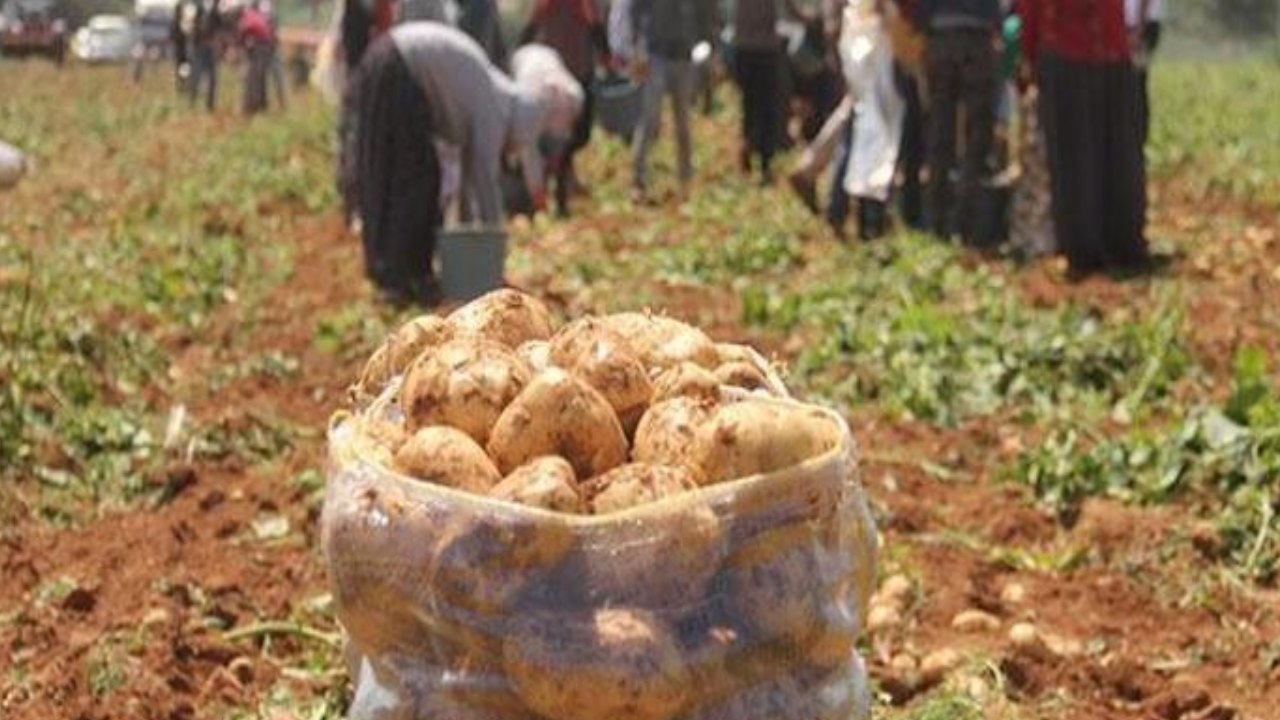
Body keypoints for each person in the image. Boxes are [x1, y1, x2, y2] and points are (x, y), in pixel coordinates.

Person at [347, 22, 558, 304]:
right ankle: (398, 277)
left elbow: (469, 183)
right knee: (412, 180)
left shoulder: (495, 94)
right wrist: (495, 255)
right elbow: (485, 181)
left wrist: (474, 246)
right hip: (397, 67)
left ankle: (406, 271)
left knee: (413, 175)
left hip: (394, 62)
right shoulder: (494, 110)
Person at [1022, 0, 1148, 275]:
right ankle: (1121, 242)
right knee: (1115, 153)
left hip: (1069, 52)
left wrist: (1030, 55)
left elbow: (1031, 9)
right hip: (1109, 52)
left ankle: (1083, 247)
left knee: (1075, 158)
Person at [916, 0, 1000, 242]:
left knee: (940, 134)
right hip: (978, 39)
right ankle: (965, 222)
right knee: (977, 134)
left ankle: (936, 221)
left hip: (940, 38)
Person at [521, 0, 610, 215]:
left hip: (580, 72)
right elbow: (531, 27)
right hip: (555, 75)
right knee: (555, 137)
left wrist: (606, 57)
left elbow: (596, 29)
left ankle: (561, 173)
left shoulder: (585, 4)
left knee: (580, 135)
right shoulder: (547, 4)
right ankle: (558, 192)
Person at [627, 0, 714, 202]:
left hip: (684, 57)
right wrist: (636, 48)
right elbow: (635, 12)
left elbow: (706, 16)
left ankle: (685, 180)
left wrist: (710, 48)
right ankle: (638, 180)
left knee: (683, 123)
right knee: (649, 121)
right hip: (656, 55)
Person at [510, 43, 587, 214]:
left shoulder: (574, 95)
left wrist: (559, 158)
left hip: (548, 59)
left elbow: (570, 136)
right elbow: (528, 151)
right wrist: (538, 193)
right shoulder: (529, 102)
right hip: (528, 68)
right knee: (530, 156)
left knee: (560, 156)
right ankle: (534, 199)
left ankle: (560, 199)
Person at [732, 0, 785, 184]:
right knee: (759, 108)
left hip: (753, 49)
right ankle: (757, 156)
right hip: (758, 50)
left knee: (755, 107)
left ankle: (760, 158)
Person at [1127, 0, 1163, 144]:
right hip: (1133, 24)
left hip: (1141, 25)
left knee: (1135, 84)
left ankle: (1137, 139)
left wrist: (1138, 29)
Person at [240, 1, 273, 115]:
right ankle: (260, 105)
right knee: (259, 77)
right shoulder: (261, 16)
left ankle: (252, 106)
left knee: (253, 78)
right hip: (263, 48)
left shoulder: (249, 16)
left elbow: (243, 31)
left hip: (257, 50)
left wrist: (243, 43)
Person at [188, 0, 223, 112]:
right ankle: (193, 101)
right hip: (199, 46)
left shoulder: (215, 7)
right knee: (196, 75)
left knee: (212, 77)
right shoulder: (197, 6)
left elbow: (219, 26)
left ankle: (210, 105)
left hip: (210, 47)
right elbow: (194, 27)